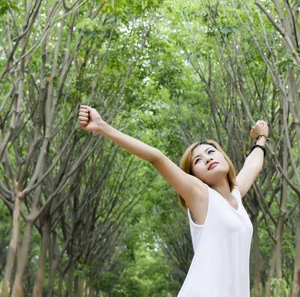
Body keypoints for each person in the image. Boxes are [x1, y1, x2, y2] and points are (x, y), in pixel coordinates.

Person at [78, 105, 268, 297]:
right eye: (198, 160)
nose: (207, 159)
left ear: (224, 157)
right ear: (194, 176)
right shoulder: (201, 195)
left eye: (211, 152)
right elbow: (157, 157)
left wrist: (260, 138)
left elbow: (253, 164)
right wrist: (102, 127)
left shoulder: (235, 197)